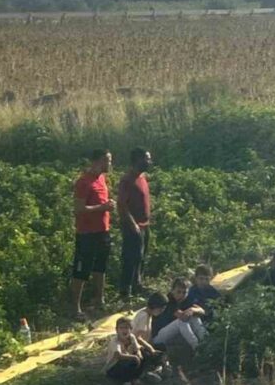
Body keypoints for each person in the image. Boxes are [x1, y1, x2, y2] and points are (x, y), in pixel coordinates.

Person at [71, 150, 116, 320]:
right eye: (108, 160)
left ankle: (100, 301)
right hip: (86, 234)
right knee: (81, 270)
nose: (110, 164)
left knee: (100, 267)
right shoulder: (83, 182)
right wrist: (102, 207)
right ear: (97, 161)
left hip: (102, 231)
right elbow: (79, 209)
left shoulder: (102, 179)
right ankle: (76, 308)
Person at [117, 147, 152, 298]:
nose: (149, 162)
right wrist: (133, 225)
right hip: (133, 226)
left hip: (144, 225)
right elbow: (122, 205)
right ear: (138, 160)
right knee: (131, 258)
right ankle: (126, 291)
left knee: (141, 257)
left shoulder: (142, 177)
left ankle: (138, 284)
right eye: (147, 159)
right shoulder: (127, 180)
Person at [103, 316, 163, 385]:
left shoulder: (131, 337)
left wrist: (139, 353)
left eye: (126, 328)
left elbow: (137, 348)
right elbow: (118, 355)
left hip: (128, 364)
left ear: (131, 329)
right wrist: (134, 357)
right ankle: (126, 382)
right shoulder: (115, 341)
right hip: (114, 368)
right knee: (129, 360)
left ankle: (136, 378)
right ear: (117, 330)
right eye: (121, 328)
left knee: (144, 354)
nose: (124, 330)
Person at [151, 277, 207, 350]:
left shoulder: (187, 300)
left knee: (195, 317)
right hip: (158, 337)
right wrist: (193, 311)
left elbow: (202, 311)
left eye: (184, 292)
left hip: (175, 334)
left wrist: (192, 309)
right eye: (178, 292)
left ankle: (206, 341)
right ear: (172, 291)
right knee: (181, 321)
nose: (181, 295)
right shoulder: (168, 300)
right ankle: (196, 347)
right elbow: (182, 317)